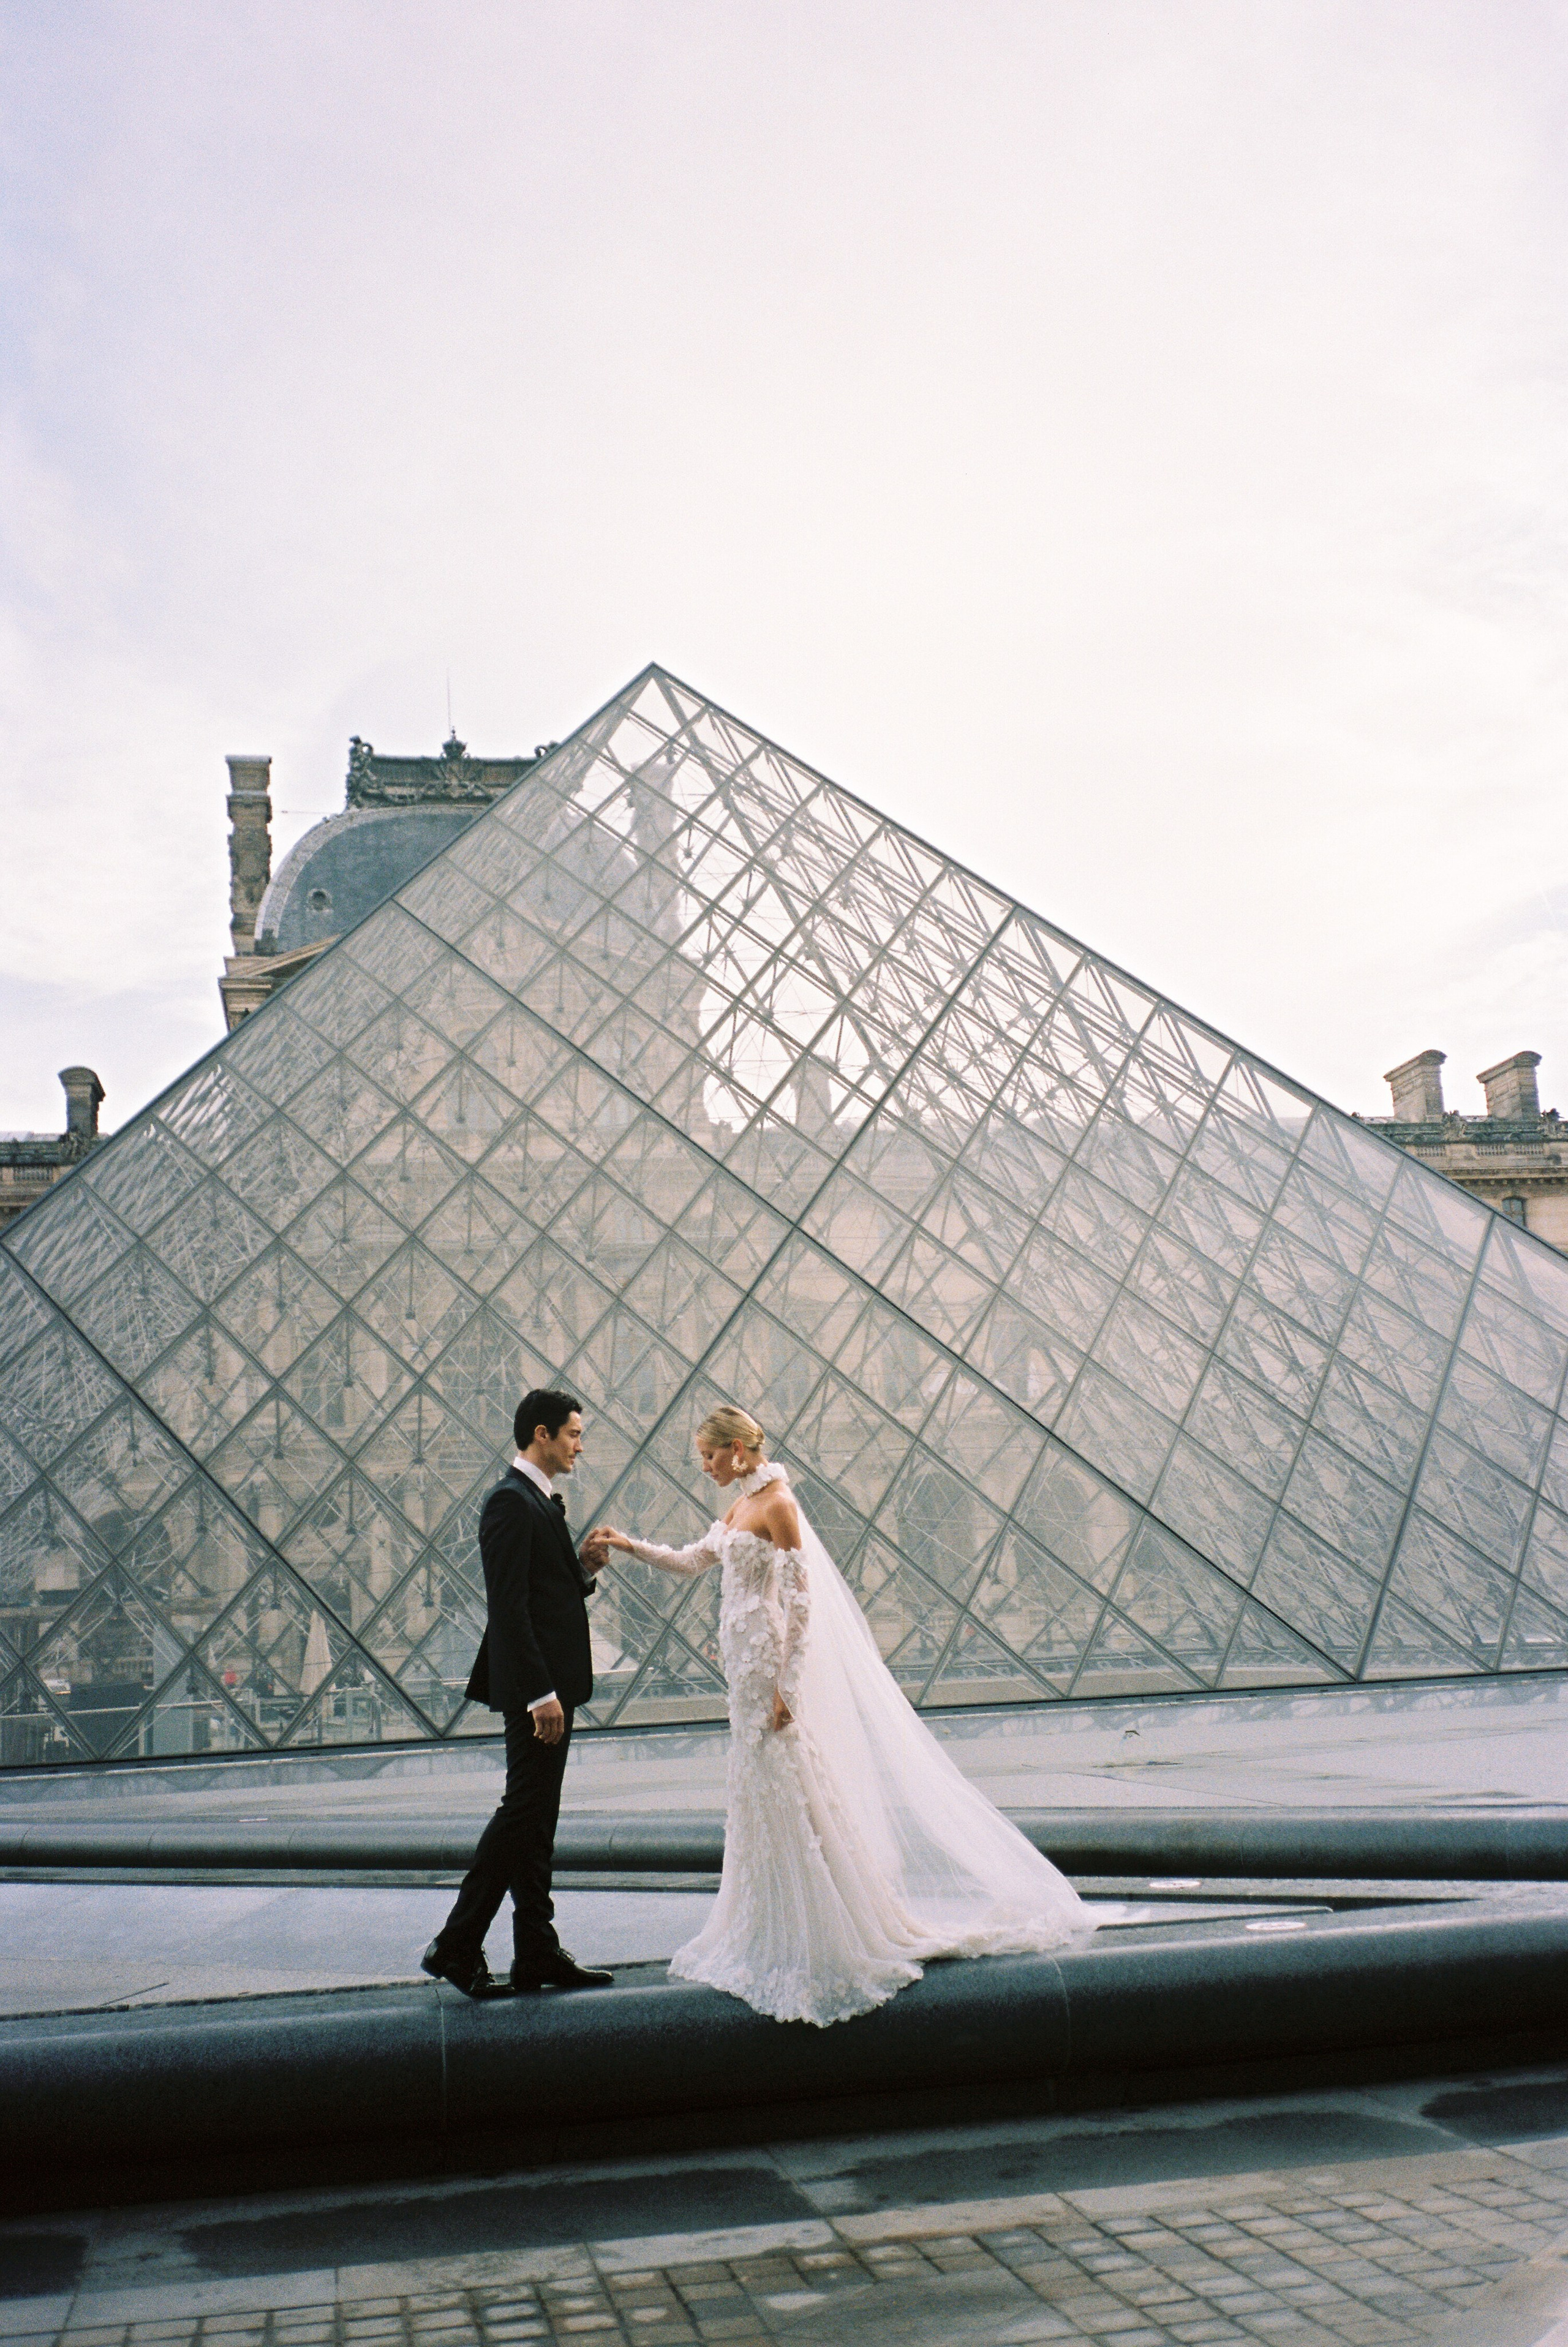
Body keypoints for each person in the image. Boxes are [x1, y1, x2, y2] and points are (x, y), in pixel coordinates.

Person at [590, 1404, 1094, 2028]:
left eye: (710, 1455)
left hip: (768, 1665)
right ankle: (774, 1914)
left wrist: (789, 1690)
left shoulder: (776, 1505)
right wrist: (628, 1546)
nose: (704, 1466)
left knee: (786, 1783)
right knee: (761, 1789)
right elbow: (694, 1559)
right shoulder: (740, 1504)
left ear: (739, 1450)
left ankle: (817, 1922)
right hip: (743, 1669)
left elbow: (803, 1608)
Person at [421, 1389, 614, 2000]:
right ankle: (456, 1944)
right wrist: (538, 1695)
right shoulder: (509, 1501)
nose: (581, 1444)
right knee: (521, 1814)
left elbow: (543, 1594)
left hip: (549, 1685)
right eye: (574, 1434)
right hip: (539, 1692)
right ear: (542, 1435)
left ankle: (535, 1949)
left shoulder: (534, 1498)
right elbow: (507, 1606)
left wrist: (582, 1569)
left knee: (536, 1820)